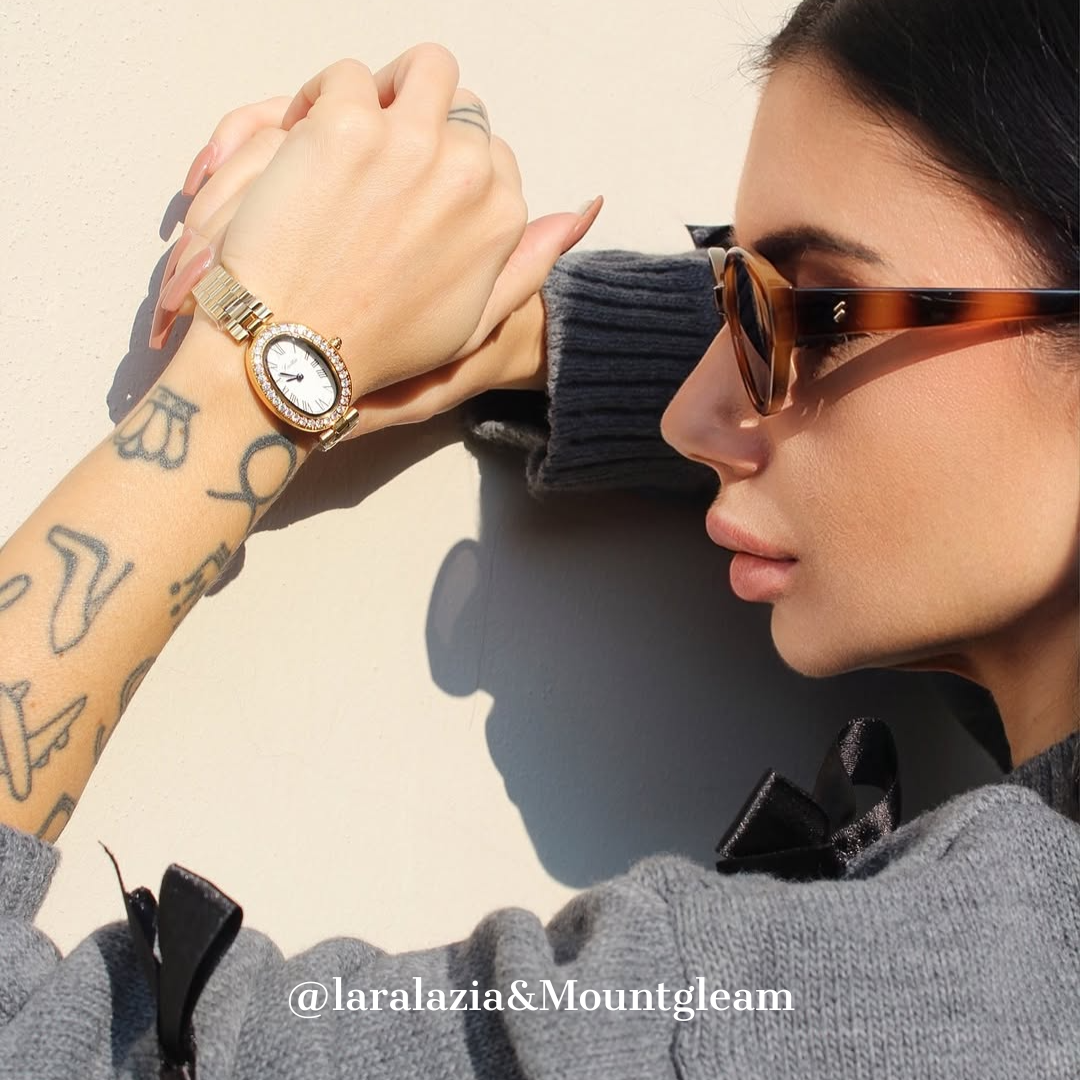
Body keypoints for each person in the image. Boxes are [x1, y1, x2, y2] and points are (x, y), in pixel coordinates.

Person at [1, 0, 1078, 1074]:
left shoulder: (909, 1003)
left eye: (815, 312)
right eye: (734, 299)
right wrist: (522, 325)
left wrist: (258, 367)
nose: (689, 418)